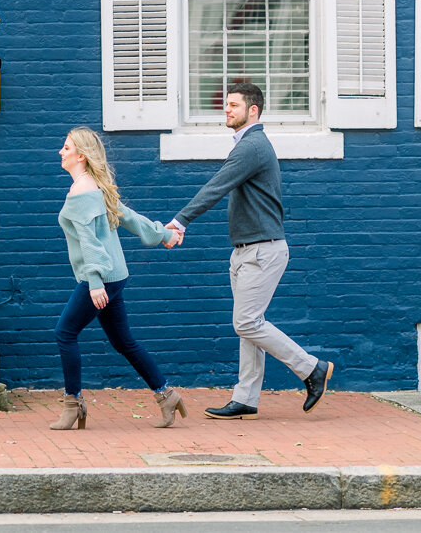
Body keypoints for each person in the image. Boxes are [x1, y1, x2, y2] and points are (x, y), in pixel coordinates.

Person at [165, 80, 333, 420]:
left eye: (234, 105)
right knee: (249, 324)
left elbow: (218, 185)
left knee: (246, 322)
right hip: (245, 251)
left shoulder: (252, 145)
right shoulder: (247, 144)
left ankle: (312, 368)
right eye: (226, 104)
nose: (226, 110)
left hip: (263, 250)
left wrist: (181, 220)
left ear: (252, 110)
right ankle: (246, 398)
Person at [51, 125, 186, 431]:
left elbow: (90, 242)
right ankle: (167, 395)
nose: (62, 152)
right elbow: (128, 216)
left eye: (67, 148)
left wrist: (95, 281)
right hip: (116, 275)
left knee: (65, 332)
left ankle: (73, 404)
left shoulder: (81, 191)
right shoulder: (97, 187)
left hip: (100, 277)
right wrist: (163, 233)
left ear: (82, 157)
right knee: (123, 341)